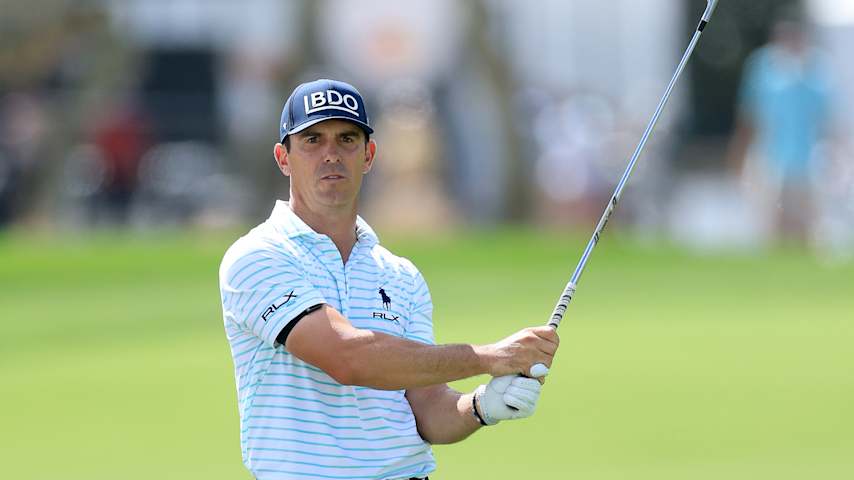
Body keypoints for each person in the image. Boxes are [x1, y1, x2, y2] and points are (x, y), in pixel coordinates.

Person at [219, 79, 559, 479]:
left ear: (368, 155)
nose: (331, 154)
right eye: (312, 140)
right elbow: (347, 357)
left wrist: (482, 406)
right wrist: (489, 356)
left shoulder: (400, 275)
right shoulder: (258, 256)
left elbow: (429, 409)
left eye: (347, 139)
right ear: (283, 158)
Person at [727, 10, 833, 246]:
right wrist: (738, 155)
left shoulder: (818, 68)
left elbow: (826, 120)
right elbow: (749, 116)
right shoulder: (762, 66)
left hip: (807, 162)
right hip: (769, 159)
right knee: (770, 228)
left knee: (806, 229)